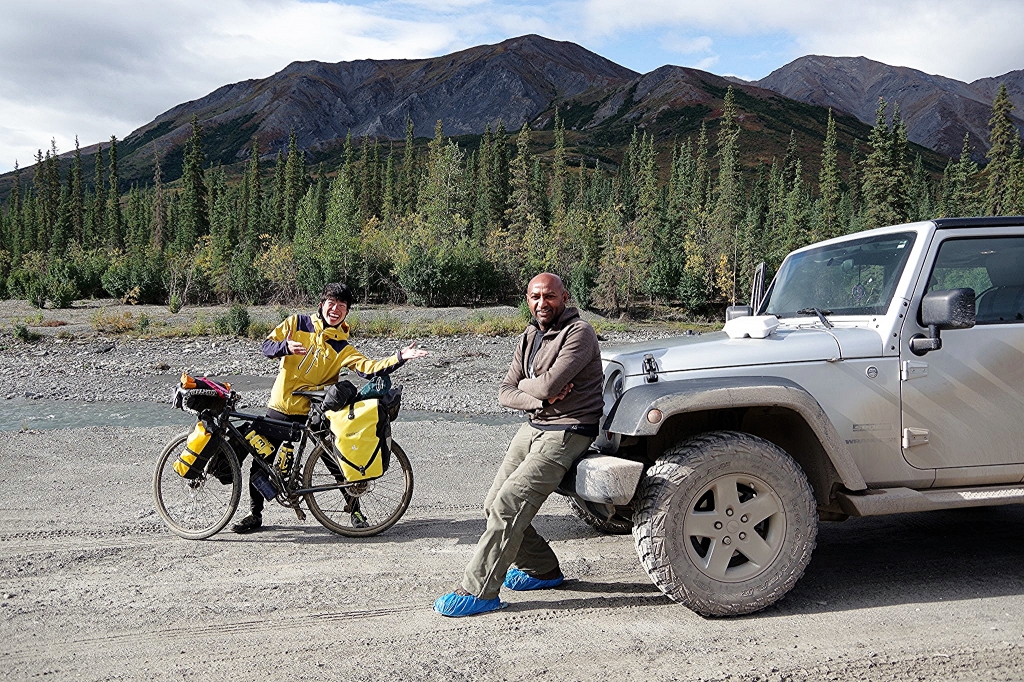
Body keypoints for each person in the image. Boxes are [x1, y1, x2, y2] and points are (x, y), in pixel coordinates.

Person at [433, 273, 603, 617]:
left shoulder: (579, 333)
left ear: (564, 297)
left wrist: (534, 388)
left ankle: (479, 590)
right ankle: (543, 570)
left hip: (569, 430)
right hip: (536, 424)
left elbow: (547, 384)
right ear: (527, 299)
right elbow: (506, 392)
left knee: (509, 503)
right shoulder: (529, 336)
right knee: (492, 503)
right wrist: (537, 394)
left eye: (549, 296)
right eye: (535, 297)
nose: (542, 304)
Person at [232, 282, 428, 534]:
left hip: (317, 410)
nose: (335, 309)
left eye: (342, 306)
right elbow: (267, 346)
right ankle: (254, 514)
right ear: (322, 304)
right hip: (282, 405)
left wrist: (399, 357)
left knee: (337, 461)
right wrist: (285, 347)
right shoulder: (296, 323)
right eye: (331, 303)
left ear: (347, 312)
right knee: (262, 459)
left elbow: (368, 368)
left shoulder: (342, 347)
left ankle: (356, 511)